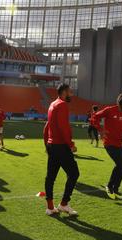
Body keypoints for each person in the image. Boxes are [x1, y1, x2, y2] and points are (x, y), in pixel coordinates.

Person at [43, 83, 79, 216]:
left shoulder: (52, 104)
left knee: (50, 177)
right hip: (60, 146)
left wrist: (46, 144)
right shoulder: (62, 105)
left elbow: (46, 127)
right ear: (64, 92)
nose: (72, 94)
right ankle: (64, 204)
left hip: (52, 146)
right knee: (74, 174)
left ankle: (50, 207)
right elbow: (63, 127)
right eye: (70, 92)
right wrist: (70, 145)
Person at [92, 93, 122, 200]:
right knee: (119, 164)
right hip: (109, 143)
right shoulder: (109, 110)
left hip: (119, 143)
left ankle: (116, 189)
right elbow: (94, 117)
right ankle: (109, 187)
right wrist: (100, 129)